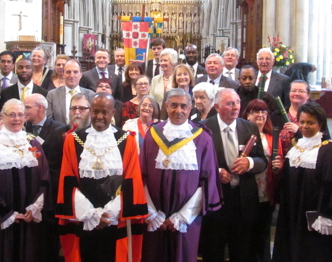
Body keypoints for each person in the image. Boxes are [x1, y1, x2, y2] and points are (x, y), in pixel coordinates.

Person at [55, 93, 147, 262]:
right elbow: (68, 179)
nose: (99, 117)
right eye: (95, 111)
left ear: (113, 113)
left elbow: (131, 180)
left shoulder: (127, 140)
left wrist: (109, 213)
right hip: (84, 217)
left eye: (104, 112)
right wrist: (91, 214)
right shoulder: (72, 139)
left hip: (115, 217)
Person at [140, 88, 222, 262]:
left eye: (184, 106)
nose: (179, 111)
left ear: (191, 107)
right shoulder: (153, 134)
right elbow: (143, 175)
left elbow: (207, 181)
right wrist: (152, 213)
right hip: (155, 216)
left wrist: (183, 216)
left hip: (187, 218)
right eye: (174, 106)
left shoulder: (202, 138)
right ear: (166, 106)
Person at [0, 99, 51, 262]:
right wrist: (7, 214)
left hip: (28, 217)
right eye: (11, 115)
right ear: (2, 117)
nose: (16, 119)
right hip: (0, 221)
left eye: (20, 115)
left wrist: (35, 207)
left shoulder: (33, 142)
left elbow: (44, 178)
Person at [274, 102, 332, 262]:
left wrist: (327, 215)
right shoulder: (295, 146)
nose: (305, 126)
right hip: (291, 211)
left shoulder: (330, 150)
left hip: (314, 214)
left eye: (310, 122)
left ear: (320, 124)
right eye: (302, 122)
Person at [201, 88, 267, 262]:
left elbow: (262, 160)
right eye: (230, 103)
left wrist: (250, 163)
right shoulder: (204, 128)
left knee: (242, 250)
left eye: (238, 102)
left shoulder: (249, 127)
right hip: (217, 199)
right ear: (217, 106)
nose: (236, 107)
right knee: (214, 250)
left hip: (243, 200)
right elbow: (196, 164)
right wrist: (215, 173)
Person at [242, 99, 283, 262]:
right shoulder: (243, 135)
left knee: (263, 235)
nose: (260, 115)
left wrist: (279, 166)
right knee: (246, 236)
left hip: (267, 191)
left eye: (264, 112)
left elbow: (278, 165)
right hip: (248, 192)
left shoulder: (272, 137)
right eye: (255, 111)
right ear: (247, 115)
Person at [277, 80, 330, 155]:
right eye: (293, 91)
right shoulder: (277, 114)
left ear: (308, 95)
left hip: (309, 156)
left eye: (301, 91)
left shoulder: (316, 113)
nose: (296, 94)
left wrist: (299, 131)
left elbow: (325, 139)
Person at [46, 59, 96, 124]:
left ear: (80, 74)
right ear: (63, 74)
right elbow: (49, 121)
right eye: (68, 72)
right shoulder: (52, 95)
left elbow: (93, 119)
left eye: (75, 72)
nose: (72, 76)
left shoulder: (91, 95)